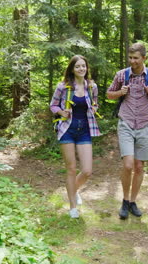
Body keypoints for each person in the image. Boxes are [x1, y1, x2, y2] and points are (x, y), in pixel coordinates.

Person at [107, 43, 148, 219]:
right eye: (130, 58)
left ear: (144, 58)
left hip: (144, 124)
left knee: (139, 166)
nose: (132, 61)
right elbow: (109, 94)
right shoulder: (122, 75)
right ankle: (125, 200)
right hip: (126, 123)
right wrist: (120, 91)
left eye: (136, 58)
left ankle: (133, 202)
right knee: (128, 165)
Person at [50, 55, 101, 218]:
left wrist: (93, 108)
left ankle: (74, 190)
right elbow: (53, 105)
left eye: (83, 66)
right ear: (72, 69)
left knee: (86, 171)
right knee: (71, 169)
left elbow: (95, 103)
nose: (81, 69)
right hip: (67, 129)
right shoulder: (63, 87)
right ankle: (73, 207)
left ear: (87, 68)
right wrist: (60, 111)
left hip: (85, 130)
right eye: (78, 66)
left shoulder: (92, 86)